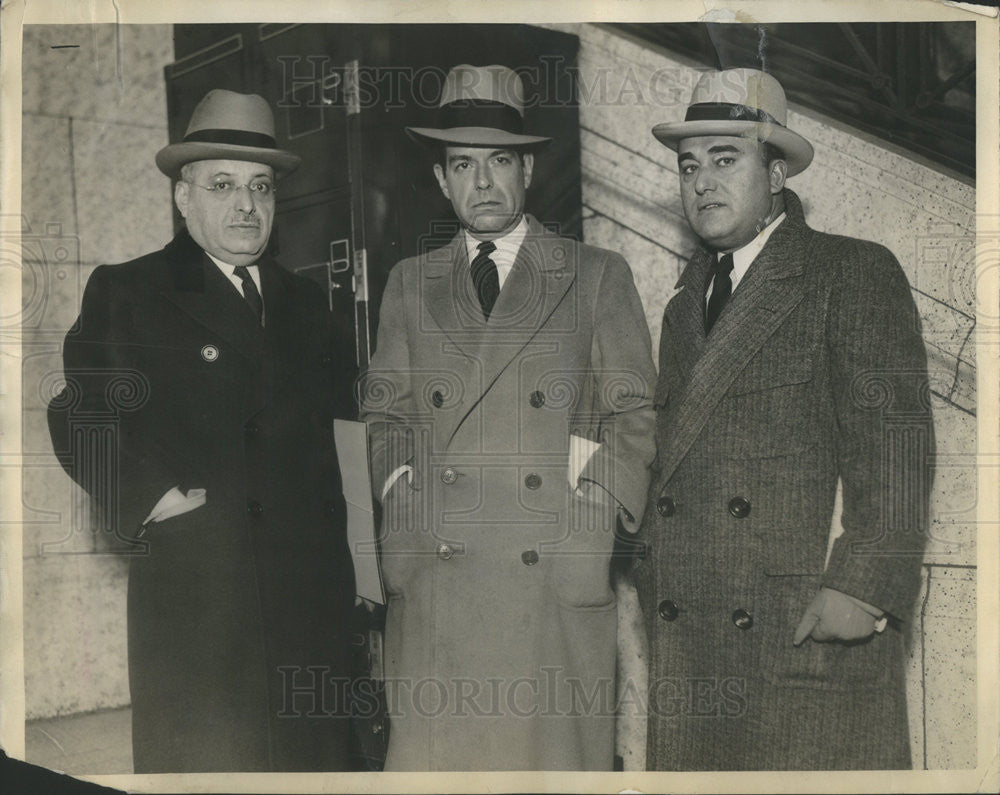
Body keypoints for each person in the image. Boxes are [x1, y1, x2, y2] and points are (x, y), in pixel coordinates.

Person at [47, 89, 357, 773]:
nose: (246, 206)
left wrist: (360, 571)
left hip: (309, 604)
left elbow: (343, 436)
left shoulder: (308, 302)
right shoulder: (131, 290)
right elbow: (76, 413)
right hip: (199, 597)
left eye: (261, 188)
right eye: (223, 185)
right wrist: (156, 500)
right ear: (183, 198)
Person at [633, 68, 934, 770]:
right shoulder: (683, 307)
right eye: (689, 164)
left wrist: (862, 585)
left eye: (726, 159)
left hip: (792, 642)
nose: (702, 181)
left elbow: (894, 447)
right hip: (692, 644)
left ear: (775, 173)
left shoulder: (848, 271)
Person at [359, 64, 657, 771]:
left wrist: (590, 530)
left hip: (549, 583)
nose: (482, 182)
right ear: (441, 179)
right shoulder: (409, 282)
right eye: (463, 163)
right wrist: (402, 503)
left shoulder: (597, 274)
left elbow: (635, 411)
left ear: (528, 169)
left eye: (499, 161)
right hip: (439, 588)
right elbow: (385, 412)